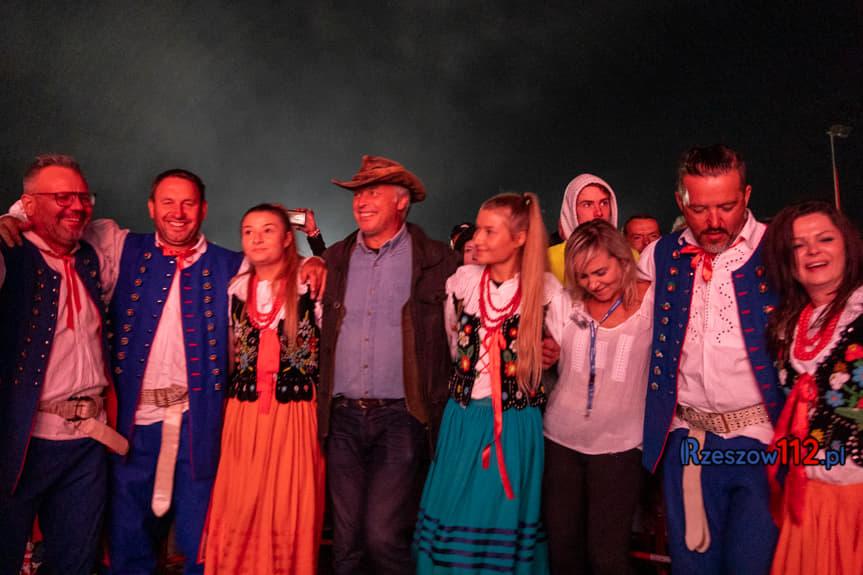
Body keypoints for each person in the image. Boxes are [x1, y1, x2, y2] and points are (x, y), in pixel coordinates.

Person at [638, 144, 784, 574]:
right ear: (680, 201)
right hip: (688, 439)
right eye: (699, 209)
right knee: (692, 566)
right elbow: (625, 326)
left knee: (752, 564)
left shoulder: (779, 247)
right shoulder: (659, 255)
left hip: (762, 439)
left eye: (726, 206)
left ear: (747, 195)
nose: (714, 221)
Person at [319, 155, 458, 574]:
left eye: (372, 192)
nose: (361, 201)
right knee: (345, 543)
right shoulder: (333, 260)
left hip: (402, 417)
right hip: (341, 417)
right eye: (357, 194)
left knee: (382, 535)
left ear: (402, 201)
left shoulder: (439, 262)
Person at [413, 192, 559, 574]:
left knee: (496, 514)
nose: (477, 238)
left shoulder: (546, 291)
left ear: (519, 238)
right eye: (477, 229)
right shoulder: (462, 282)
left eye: (489, 231)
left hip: (514, 424)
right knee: (454, 511)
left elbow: (563, 354)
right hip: (462, 420)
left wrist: (551, 354)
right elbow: (452, 343)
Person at [0, 154, 127, 574]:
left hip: (86, 443)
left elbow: (167, 242)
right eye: (61, 197)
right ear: (28, 204)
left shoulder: (95, 252)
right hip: (20, 442)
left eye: (83, 196)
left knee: (76, 563)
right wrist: (11, 218)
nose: (77, 206)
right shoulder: (8, 253)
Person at [204, 204, 325, 574]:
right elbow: (230, 355)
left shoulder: (310, 284)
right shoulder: (236, 290)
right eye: (248, 231)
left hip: (295, 414)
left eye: (268, 230)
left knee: (288, 503)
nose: (256, 238)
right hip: (244, 414)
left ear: (288, 238)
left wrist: (318, 255)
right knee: (240, 502)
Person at [543, 220, 652, 575]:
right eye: (583, 276)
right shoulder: (568, 303)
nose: (593, 284)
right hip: (560, 442)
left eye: (600, 272)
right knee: (563, 554)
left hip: (620, 448)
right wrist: (547, 351)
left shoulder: (652, 302)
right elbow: (548, 350)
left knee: (607, 558)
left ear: (623, 260)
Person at [763, 201, 863, 575]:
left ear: (847, 244)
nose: (812, 251)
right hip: (809, 498)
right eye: (798, 245)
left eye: (824, 239)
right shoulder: (787, 324)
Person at [548, 174, 619, 283]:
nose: (598, 212)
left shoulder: (630, 256)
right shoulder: (549, 259)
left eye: (604, 203)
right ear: (571, 211)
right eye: (587, 205)